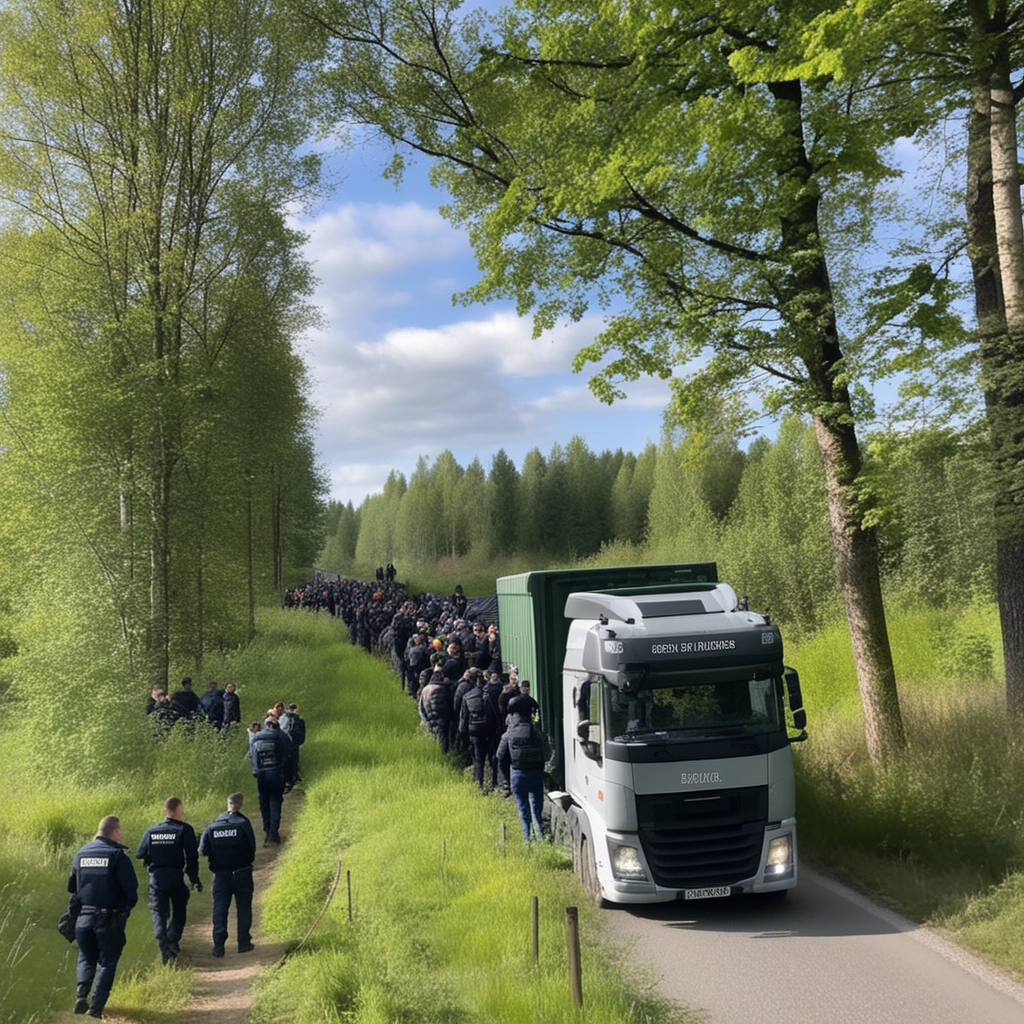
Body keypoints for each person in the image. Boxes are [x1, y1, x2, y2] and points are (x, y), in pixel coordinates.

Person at [68, 815, 139, 1018]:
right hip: (108, 920)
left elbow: (73, 889)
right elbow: (131, 891)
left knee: (86, 957)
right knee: (108, 962)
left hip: (84, 918)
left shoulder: (81, 854)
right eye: (120, 830)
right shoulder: (117, 856)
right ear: (115, 831)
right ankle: (96, 1008)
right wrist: (125, 910)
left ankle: (81, 996)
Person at [135, 797, 202, 964]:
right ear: (179, 810)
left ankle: (163, 945)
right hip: (175, 877)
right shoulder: (184, 829)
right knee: (180, 908)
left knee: (159, 913)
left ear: (165, 811)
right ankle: (172, 940)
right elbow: (192, 857)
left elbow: (139, 853)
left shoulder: (152, 830)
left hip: (157, 879)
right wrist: (193, 877)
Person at [198, 792, 257, 957]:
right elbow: (252, 849)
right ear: (240, 804)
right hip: (242, 873)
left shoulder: (212, 826)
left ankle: (218, 946)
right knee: (243, 908)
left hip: (220, 875)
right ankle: (244, 943)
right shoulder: (244, 823)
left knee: (220, 909)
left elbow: (202, 850)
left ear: (228, 803)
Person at [497, 707, 552, 842]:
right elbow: (548, 755)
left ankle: (527, 840)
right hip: (535, 774)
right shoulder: (538, 733)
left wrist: (506, 777)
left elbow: (500, 756)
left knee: (523, 810)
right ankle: (540, 838)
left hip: (517, 774)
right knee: (537, 809)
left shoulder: (508, 735)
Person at [250, 716, 290, 844]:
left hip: (261, 776)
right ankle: (274, 833)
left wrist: (256, 773)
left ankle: (267, 831)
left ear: (266, 725)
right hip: (276, 774)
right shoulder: (280, 737)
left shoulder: (256, 739)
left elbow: (253, 758)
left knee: (264, 804)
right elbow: (286, 757)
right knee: (275, 802)